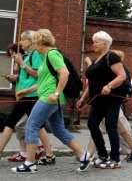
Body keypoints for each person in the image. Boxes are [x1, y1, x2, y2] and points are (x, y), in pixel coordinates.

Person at [12, 29, 91, 173]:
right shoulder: (44, 57)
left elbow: (64, 73)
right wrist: (26, 91)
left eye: (34, 41)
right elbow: (44, 80)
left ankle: (29, 163)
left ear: (40, 41)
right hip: (51, 97)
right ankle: (83, 155)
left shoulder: (52, 54)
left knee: (31, 125)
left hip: (50, 98)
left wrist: (56, 92)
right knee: (58, 130)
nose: (32, 44)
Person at [78, 51, 132, 163]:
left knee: (121, 130)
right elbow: (91, 84)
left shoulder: (119, 70)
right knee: (98, 127)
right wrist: (83, 98)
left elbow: (126, 84)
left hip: (113, 103)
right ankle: (91, 155)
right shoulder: (102, 68)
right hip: (101, 102)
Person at [0, 36, 52, 164]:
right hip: (24, 96)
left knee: (13, 123)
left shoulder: (34, 56)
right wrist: (15, 78)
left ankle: (41, 153)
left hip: (31, 96)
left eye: (23, 40)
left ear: (30, 41)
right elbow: (26, 78)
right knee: (36, 126)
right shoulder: (27, 57)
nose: (21, 42)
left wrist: (22, 64)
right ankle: (48, 154)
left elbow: (38, 75)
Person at [83, 31, 127, 169]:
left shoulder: (111, 57)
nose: (93, 44)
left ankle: (115, 159)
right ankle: (102, 155)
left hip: (112, 98)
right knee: (92, 124)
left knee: (110, 126)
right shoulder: (97, 59)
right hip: (98, 99)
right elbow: (92, 81)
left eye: (96, 41)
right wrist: (83, 98)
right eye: (93, 41)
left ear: (105, 43)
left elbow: (122, 76)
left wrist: (109, 85)